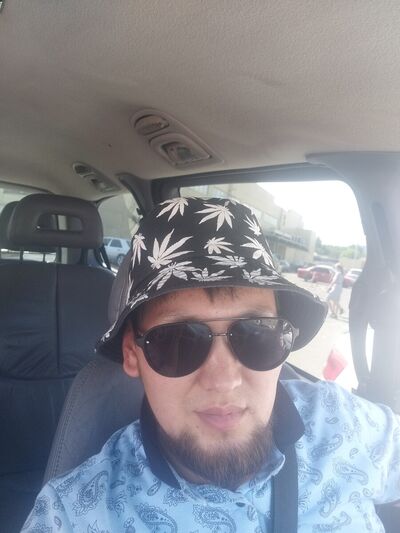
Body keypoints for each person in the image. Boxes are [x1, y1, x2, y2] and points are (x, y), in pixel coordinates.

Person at [22, 197, 400, 532]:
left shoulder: (342, 420)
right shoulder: (75, 515)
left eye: (257, 334)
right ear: (132, 355)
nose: (224, 380)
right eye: (177, 342)